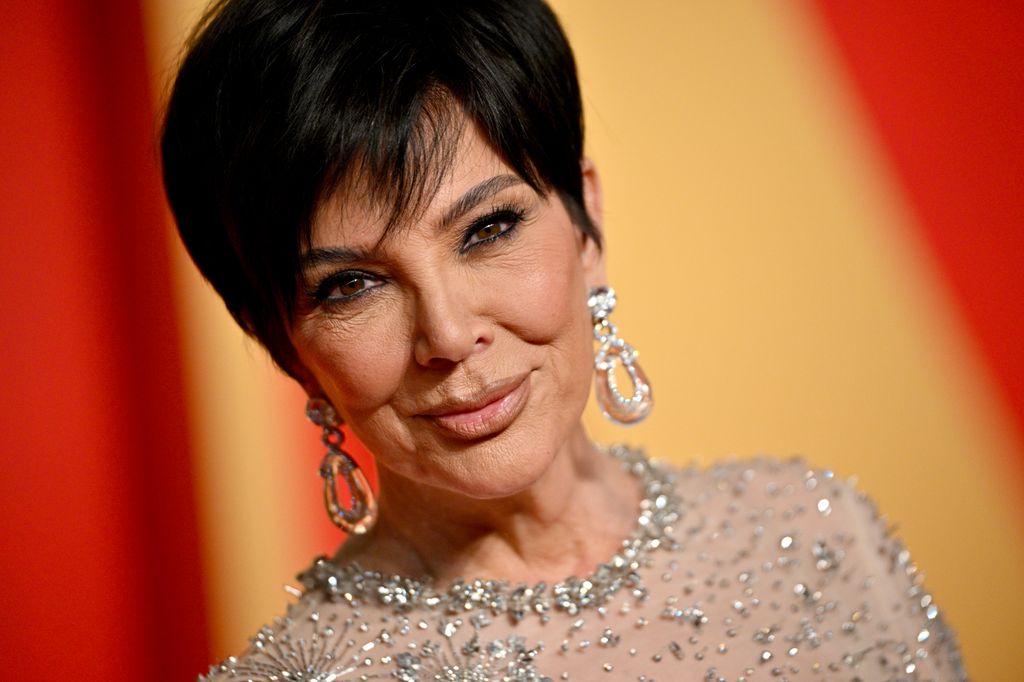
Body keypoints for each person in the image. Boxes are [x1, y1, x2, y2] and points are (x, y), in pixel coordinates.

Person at [161, 1, 966, 679]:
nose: (446, 334)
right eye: (352, 285)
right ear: (282, 344)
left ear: (586, 224)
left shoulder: (819, 533)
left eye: (487, 228)